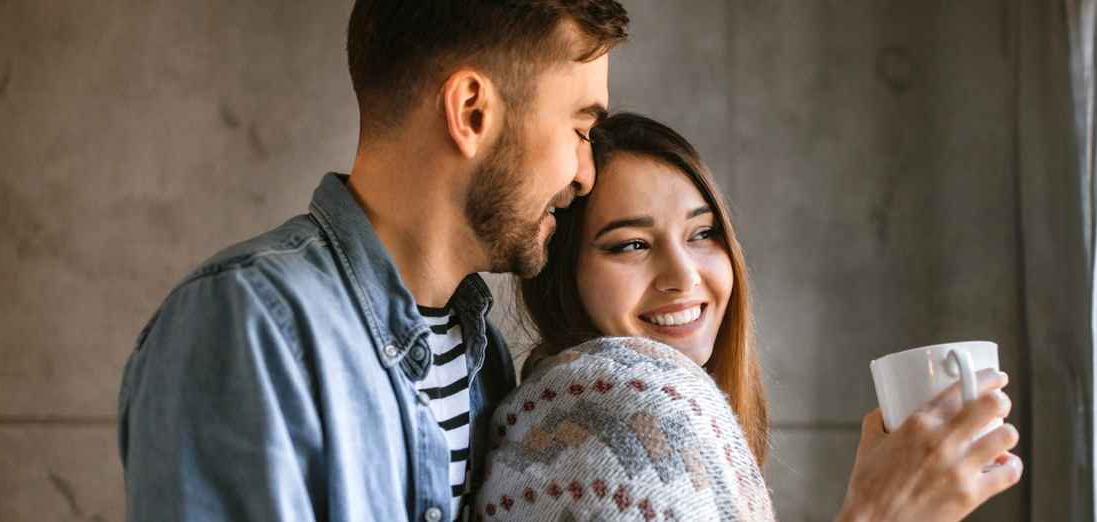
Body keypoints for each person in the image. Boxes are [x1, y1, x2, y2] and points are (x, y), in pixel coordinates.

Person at [117, 1, 631, 520]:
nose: (585, 175)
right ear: (471, 112)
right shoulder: (245, 325)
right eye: (580, 130)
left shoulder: (484, 360)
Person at [477, 113, 1023, 521]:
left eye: (703, 233)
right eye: (631, 245)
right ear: (560, 275)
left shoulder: (553, 407)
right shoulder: (633, 407)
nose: (684, 275)